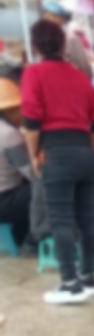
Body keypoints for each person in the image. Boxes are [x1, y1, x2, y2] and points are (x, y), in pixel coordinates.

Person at [21, 17, 94, 305]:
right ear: (62, 44)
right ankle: (88, 278)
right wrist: (86, 146)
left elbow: (31, 121)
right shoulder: (79, 76)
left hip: (55, 152)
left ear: (35, 46)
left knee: (61, 219)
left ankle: (70, 283)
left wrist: (34, 154)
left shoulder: (34, 73)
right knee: (86, 217)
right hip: (84, 152)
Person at [0, 78, 33, 250]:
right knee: (45, 190)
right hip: (4, 202)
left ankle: (20, 237)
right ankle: (32, 242)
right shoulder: (9, 135)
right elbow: (31, 172)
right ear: (8, 111)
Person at [41, 0, 94, 78]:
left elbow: (85, 68)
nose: (46, 19)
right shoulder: (43, 37)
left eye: (52, 16)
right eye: (45, 15)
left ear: (60, 18)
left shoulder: (70, 38)